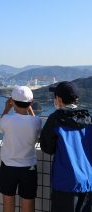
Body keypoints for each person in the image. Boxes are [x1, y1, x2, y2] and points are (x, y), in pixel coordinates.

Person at [40, 81, 92, 212]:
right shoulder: (89, 118)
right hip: (88, 180)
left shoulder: (56, 119)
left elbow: (47, 147)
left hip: (65, 181)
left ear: (59, 99)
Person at [0, 86, 42, 212]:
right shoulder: (36, 121)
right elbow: (35, 123)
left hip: (8, 166)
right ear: (31, 103)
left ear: (12, 101)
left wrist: (6, 109)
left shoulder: (7, 119)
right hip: (29, 168)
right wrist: (30, 108)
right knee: (28, 202)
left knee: (8, 201)